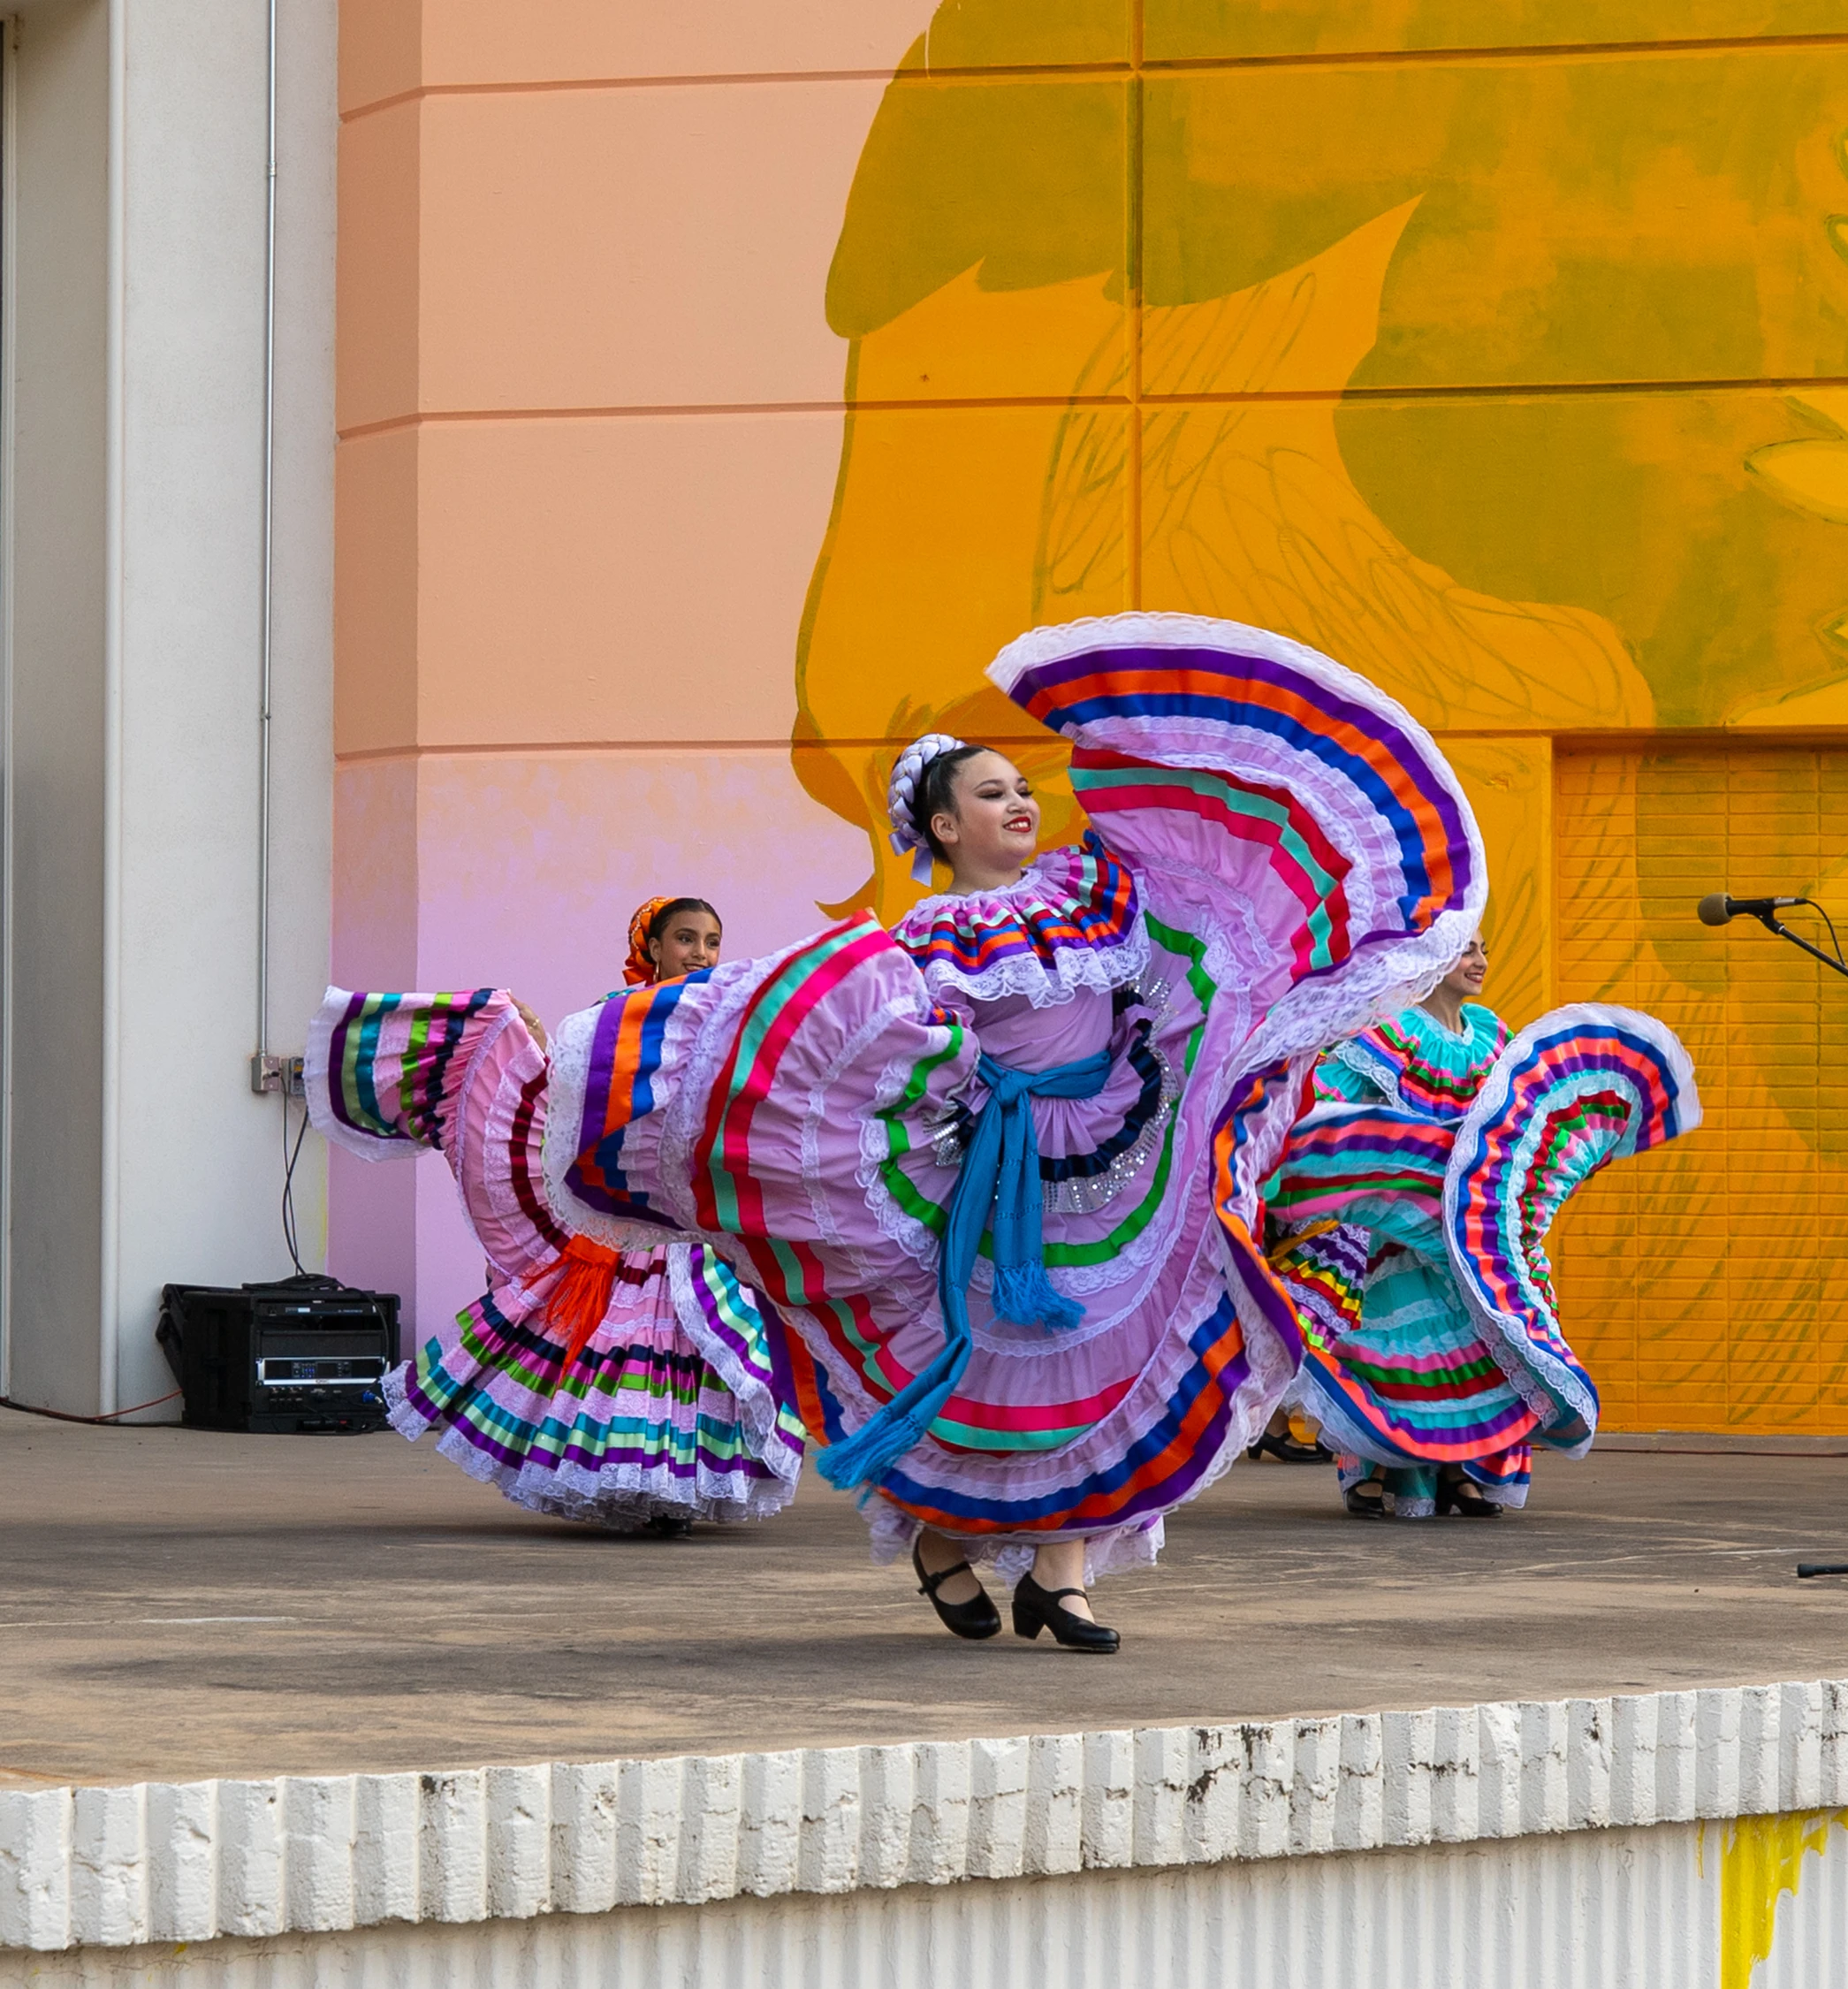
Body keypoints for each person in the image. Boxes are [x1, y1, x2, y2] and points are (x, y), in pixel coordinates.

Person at [309, 613, 1483, 1652]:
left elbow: (1203, 927)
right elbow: (865, 1025)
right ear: (939, 821)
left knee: (1111, 1359)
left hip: (1115, 1157)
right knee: (978, 1364)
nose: (1019, 800)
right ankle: (936, 1542)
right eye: (987, 791)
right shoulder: (931, 933)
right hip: (989, 1175)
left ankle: (1063, 1577)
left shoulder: (1101, 890)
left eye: (1023, 785)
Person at [308, 895, 806, 1536]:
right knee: (633, 1347)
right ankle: (635, 1488)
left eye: (712, 941)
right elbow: (575, 1098)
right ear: (652, 947)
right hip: (629, 1219)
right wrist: (537, 1049)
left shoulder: (727, 1024)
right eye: (686, 938)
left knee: (698, 1348)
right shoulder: (614, 1019)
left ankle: (667, 1489)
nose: (702, 953)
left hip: (695, 1224)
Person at [1266, 934, 1700, 1518]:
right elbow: (1335, 1114)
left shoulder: (1494, 1035)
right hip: (1404, 1221)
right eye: (1466, 950)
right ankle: (1393, 1470)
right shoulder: (1389, 1034)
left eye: (1484, 949)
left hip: (1477, 1225)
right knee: (1409, 1354)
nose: (1480, 963)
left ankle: (1462, 1468)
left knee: (1480, 1345)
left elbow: (1517, 1124)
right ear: (1431, 959)